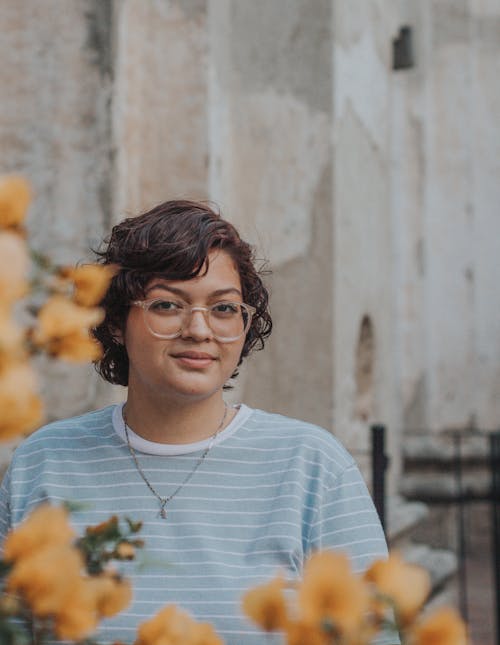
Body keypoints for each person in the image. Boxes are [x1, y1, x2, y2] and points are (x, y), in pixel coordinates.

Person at [0, 200, 394, 644]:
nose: (199, 330)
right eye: (168, 304)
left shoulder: (312, 467)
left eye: (224, 309)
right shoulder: (45, 461)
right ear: (115, 322)